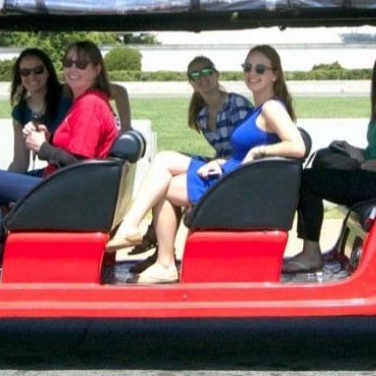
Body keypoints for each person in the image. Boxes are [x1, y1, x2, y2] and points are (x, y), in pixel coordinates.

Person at [106, 45, 305, 284]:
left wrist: (257, 151)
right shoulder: (257, 110)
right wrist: (224, 161)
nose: (252, 72)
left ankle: (162, 259)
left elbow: (297, 146)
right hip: (233, 176)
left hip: (237, 186)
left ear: (275, 75)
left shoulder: (271, 107)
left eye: (260, 68)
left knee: (165, 186)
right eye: (248, 67)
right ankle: (139, 235)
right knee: (164, 159)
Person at [0, 41, 120, 284]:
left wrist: (43, 147)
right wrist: (48, 140)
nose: (72, 68)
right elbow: (74, 155)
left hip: (67, 190)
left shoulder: (89, 105)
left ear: (96, 69)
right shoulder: (86, 100)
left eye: (81, 63)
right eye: (68, 62)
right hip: (65, 183)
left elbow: (79, 164)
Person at [284, 48, 376, 274]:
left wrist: (361, 166)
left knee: (308, 180)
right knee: (318, 166)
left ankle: (311, 254)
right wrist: (352, 151)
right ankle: (310, 250)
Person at [126, 55, 254, 265]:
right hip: (222, 166)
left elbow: (248, 148)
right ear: (191, 82)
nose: (202, 78)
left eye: (206, 72)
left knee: (164, 165)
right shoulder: (202, 115)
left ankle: (145, 237)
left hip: (237, 171)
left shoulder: (236, 104)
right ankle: (159, 250)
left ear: (216, 74)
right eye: (196, 75)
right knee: (162, 166)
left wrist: (221, 162)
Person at [8, 48, 131, 175]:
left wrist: (126, 129)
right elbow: (20, 162)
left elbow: (119, 92)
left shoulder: (70, 92)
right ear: (19, 75)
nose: (32, 76)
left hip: (65, 177)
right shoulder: (20, 112)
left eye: (38, 70)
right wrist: (5, 180)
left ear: (48, 71)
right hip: (56, 172)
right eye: (25, 72)